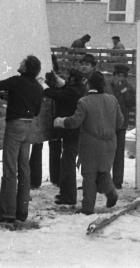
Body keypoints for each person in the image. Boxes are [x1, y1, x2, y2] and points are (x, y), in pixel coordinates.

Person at [0, 55, 43, 223]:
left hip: (15, 126)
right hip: (29, 127)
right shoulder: (38, 87)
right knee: (24, 169)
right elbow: (36, 111)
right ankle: (22, 211)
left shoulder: (16, 81)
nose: (19, 64)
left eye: (22, 63)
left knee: (9, 169)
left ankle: (6, 212)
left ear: (26, 68)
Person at [54, 71, 123, 215]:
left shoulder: (84, 101)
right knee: (104, 172)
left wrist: (61, 121)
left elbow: (75, 122)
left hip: (90, 144)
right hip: (110, 143)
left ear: (89, 84)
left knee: (90, 176)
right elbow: (120, 122)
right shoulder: (112, 100)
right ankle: (111, 193)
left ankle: (87, 208)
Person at [38, 68, 87, 205]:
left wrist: (43, 84)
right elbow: (66, 89)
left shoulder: (72, 91)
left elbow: (54, 94)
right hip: (75, 132)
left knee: (68, 165)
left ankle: (69, 196)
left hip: (71, 132)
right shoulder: (80, 88)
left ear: (72, 79)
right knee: (67, 163)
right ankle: (66, 194)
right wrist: (58, 81)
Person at [109, 64, 136, 189]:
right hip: (107, 123)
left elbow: (131, 104)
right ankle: (104, 180)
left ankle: (117, 181)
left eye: (123, 76)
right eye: (118, 75)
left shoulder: (128, 87)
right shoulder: (107, 86)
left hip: (121, 124)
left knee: (119, 152)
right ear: (114, 75)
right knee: (105, 152)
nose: (120, 78)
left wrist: (125, 93)